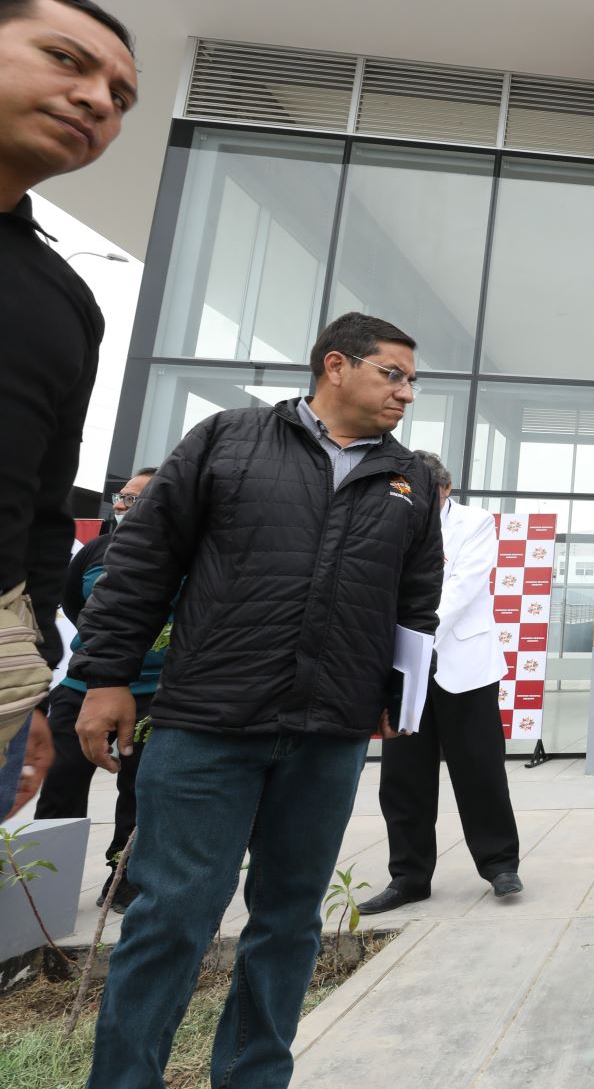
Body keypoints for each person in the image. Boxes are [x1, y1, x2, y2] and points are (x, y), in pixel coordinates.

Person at [69, 312, 443, 1087]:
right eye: (393, 374)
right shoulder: (229, 440)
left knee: (287, 922)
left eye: (412, 379)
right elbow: (143, 562)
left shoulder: (409, 480)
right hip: (208, 725)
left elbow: (416, 602)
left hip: (328, 736)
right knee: (172, 917)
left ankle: (251, 1076)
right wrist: (105, 676)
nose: (407, 392)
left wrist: (392, 694)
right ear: (335, 367)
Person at [0, 0, 137, 818]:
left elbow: (47, 506)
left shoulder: (64, 299)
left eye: (119, 95)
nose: (96, 101)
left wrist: (29, 672)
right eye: (63, 60)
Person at [361, 450, 522, 914]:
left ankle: (499, 864)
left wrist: (416, 631)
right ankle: (408, 876)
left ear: (445, 490)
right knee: (403, 776)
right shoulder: (389, 518)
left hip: (463, 665)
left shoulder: (475, 523)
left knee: (480, 770)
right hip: (403, 667)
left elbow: (461, 587)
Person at [34, 467, 161, 910]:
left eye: (136, 500)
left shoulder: (184, 552)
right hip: (81, 690)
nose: (123, 507)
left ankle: (123, 881)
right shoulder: (96, 551)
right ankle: (47, 887)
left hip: (152, 693)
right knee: (61, 786)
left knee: (137, 792)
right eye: (122, 498)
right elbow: (73, 602)